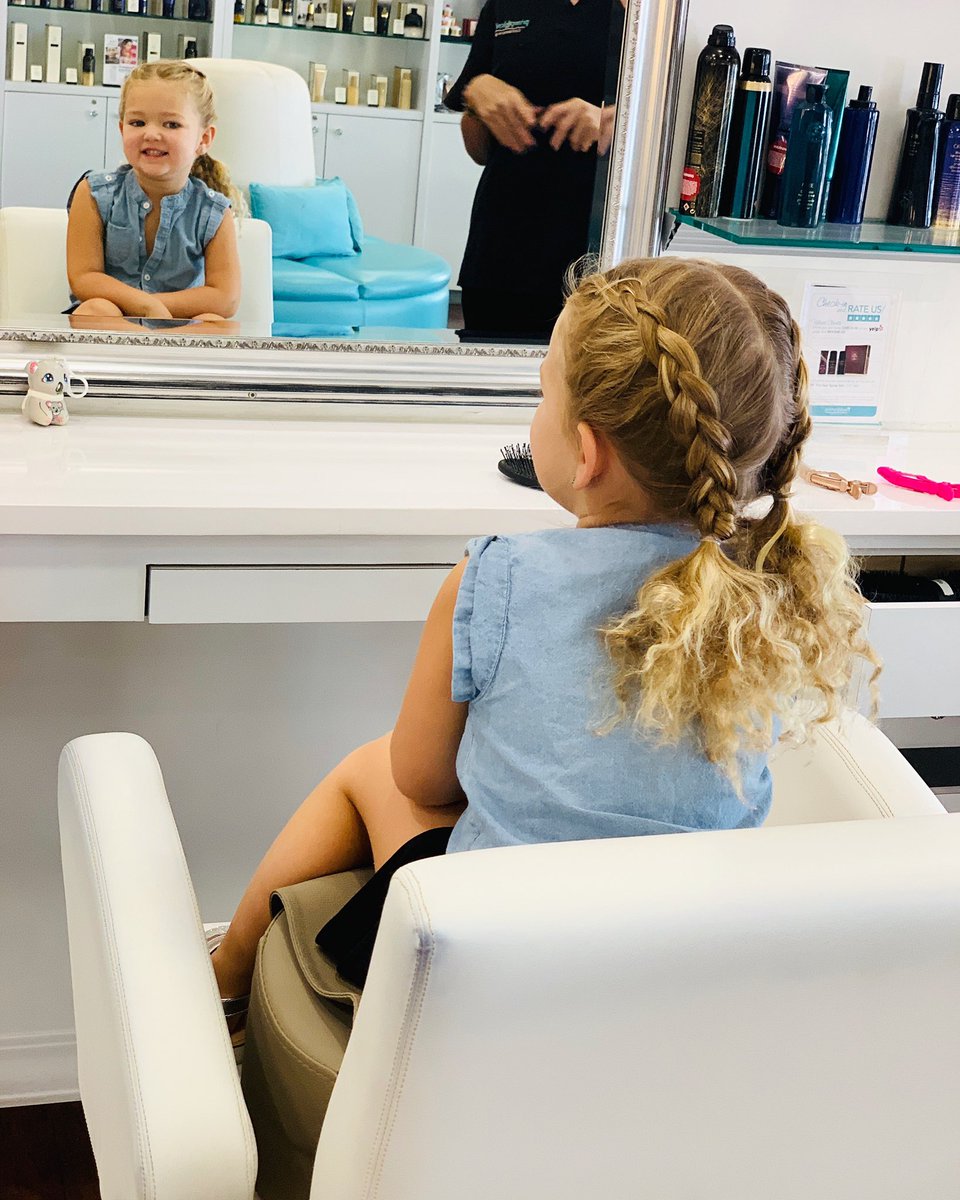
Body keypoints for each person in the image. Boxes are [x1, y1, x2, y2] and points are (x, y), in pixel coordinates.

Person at [210, 255, 877, 1040]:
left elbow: (420, 776)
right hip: (683, 978)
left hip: (498, 969)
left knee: (368, 769)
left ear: (586, 452)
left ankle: (221, 985)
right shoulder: (767, 591)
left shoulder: (494, 575)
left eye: (541, 394)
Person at [443, 0, 614, 340]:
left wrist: (612, 120)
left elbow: (664, 134)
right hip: (500, 251)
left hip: (595, 263)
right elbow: (479, 151)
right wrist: (477, 97)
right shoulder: (505, 5)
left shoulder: (642, 16)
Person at [65, 60, 241, 323]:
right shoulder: (93, 193)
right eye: (137, 122)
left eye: (171, 124)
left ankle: (155, 360)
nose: (151, 134)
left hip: (178, 328)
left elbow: (225, 298)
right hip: (111, 325)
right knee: (98, 309)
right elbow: (84, 278)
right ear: (122, 128)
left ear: (203, 139)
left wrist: (153, 305)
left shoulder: (214, 212)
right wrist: (142, 306)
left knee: (214, 322)